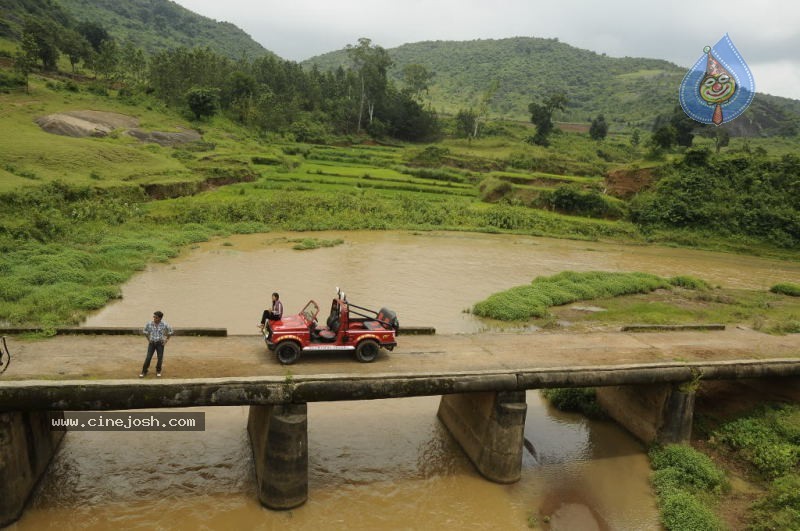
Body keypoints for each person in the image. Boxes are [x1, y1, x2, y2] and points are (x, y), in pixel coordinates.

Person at [140, 311, 173, 378]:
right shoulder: (149, 324)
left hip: (160, 343)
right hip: (152, 343)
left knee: (160, 358)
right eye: (154, 317)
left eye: (156, 317)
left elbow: (171, 331)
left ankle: (158, 370)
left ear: (160, 318)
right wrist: (148, 339)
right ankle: (144, 371)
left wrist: (166, 341)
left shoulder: (164, 324)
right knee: (148, 357)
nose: (154, 318)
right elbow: (144, 331)